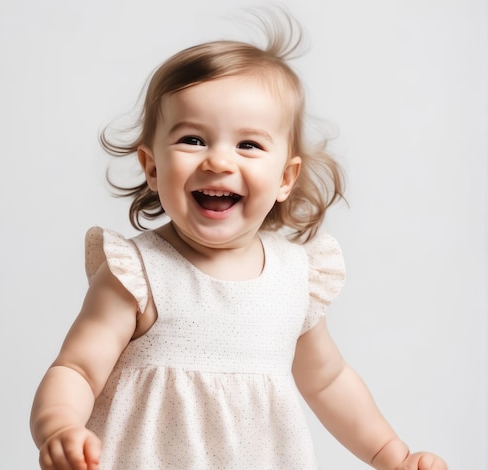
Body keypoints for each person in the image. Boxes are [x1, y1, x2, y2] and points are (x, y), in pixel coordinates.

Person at [30, 9, 447, 470]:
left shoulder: (295, 279)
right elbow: (77, 369)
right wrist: (60, 427)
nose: (219, 162)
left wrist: (392, 456)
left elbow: (328, 381)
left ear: (286, 178)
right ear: (151, 167)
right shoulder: (138, 275)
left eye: (248, 145)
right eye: (193, 140)